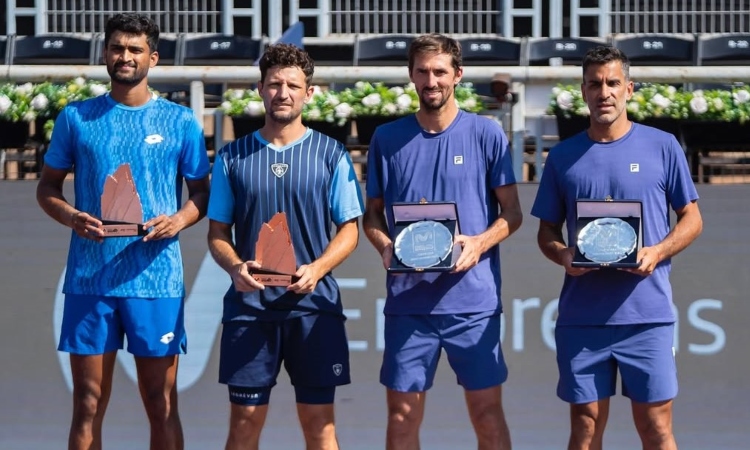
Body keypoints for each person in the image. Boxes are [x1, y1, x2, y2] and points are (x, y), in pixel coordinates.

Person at [35, 12, 210, 450]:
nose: (124, 56)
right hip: (90, 279)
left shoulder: (181, 121)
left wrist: (178, 219)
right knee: (88, 402)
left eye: (135, 49)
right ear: (105, 53)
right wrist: (73, 217)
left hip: (156, 280)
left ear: (153, 57)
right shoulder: (77, 118)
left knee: (161, 400)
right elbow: (47, 189)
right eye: (117, 47)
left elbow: (202, 195)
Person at [530, 45, 703, 450]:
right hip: (582, 318)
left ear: (628, 89)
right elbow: (546, 231)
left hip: (647, 316)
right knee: (586, 429)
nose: (603, 92)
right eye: (594, 84)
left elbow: (692, 219)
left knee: (656, 428)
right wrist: (563, 255)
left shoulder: (663, 146)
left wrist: (657, 251)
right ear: (584, 91)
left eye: (611, 83)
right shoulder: (563, 156)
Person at [363, 34, 522, 450]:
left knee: (487, 416)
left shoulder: (486, 134)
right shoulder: (386, 138)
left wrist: (479, 243)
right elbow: (373, 214)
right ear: (410, 75)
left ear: (458, 75)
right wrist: (384, 246)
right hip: (408, 303)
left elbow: (512, 215)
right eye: (422, 71)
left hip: (472, 303)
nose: (431, 80)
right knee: (401, 419)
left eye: (439, 71)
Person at [207, 43, 364, 450]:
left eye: (293, 84)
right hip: (251, 309)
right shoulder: (231, 157)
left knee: (319, 426)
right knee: (243, 426)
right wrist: (236, 267)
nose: (283, 92)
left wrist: (318, 268)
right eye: (274, 83)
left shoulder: (331, 153)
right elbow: (217, 233)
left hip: (313, 307)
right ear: (260, 89)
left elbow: (350, 229)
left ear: (309, 93)